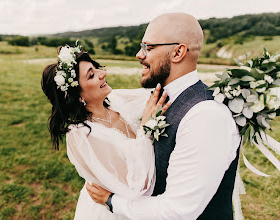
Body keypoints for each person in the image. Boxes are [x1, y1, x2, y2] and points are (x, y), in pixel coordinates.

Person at [86, 13, 241, 219]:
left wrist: (112, 200)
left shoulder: (205, 116)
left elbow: (177, 211)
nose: (139, 55)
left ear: (178, 52)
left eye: (148, 47)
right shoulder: (158, 99)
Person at [41, 45, 171, 219]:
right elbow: (135, 184)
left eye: (96, 68)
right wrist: (146, 128)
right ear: (78, 95)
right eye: (91, 75)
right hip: (113, 211)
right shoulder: (82, 134)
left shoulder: (113, 100)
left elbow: (154, 96)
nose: (103, 74)